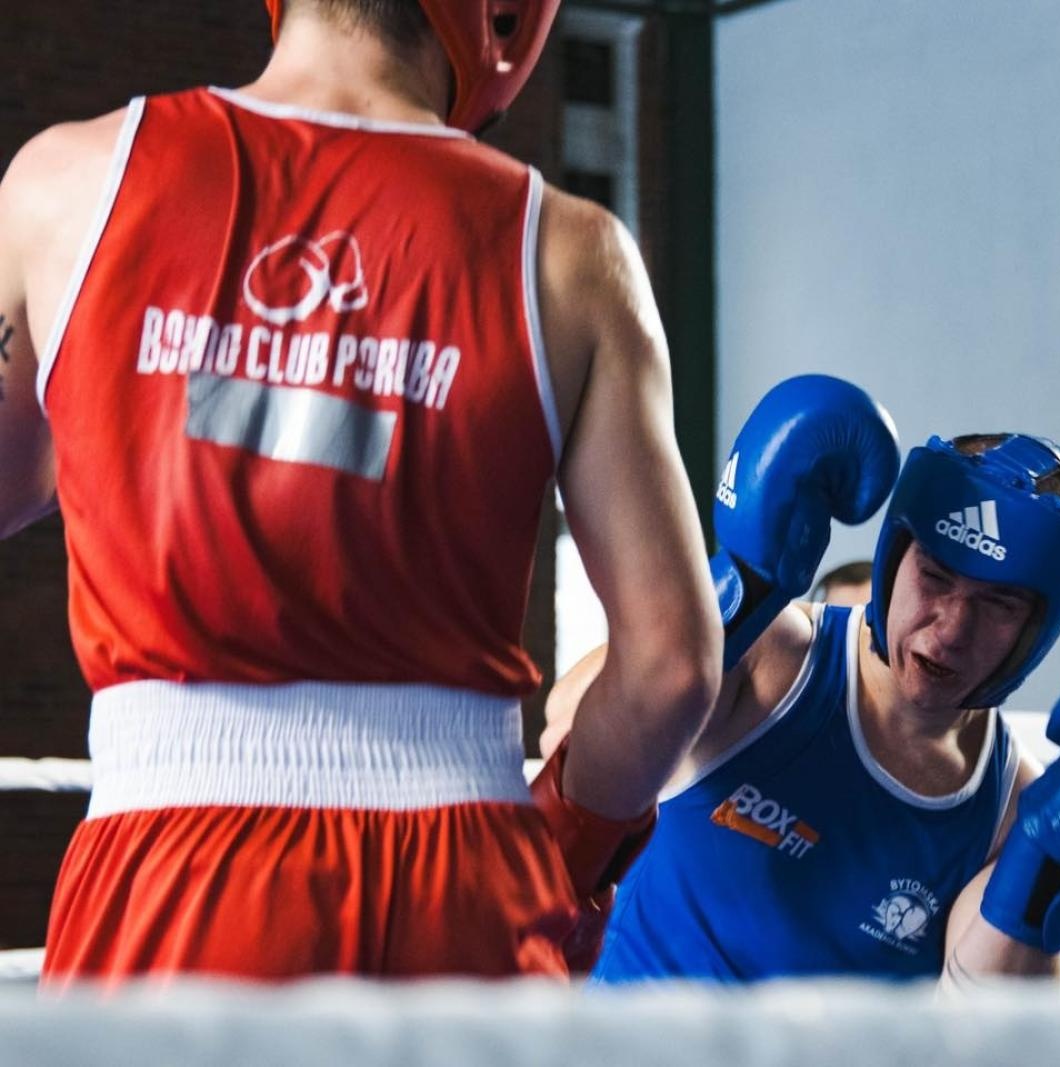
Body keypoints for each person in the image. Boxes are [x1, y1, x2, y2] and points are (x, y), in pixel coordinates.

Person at [0, 0, 728, 983]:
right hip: (464, 875)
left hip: (166, 870)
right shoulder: (569, 255)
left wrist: (156, 409)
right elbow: (672, 666)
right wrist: (563, 847)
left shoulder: (68, 184)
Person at [547, 424, 1060, 983]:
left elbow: (981, 1034)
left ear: (1037, 629)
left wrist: (1053, 863)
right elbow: (563, 730)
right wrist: (737, 589)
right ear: (895, 559)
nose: (950, 627)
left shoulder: (1010, 814)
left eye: (999, 605)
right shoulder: (776, 656)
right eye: (936, 577)